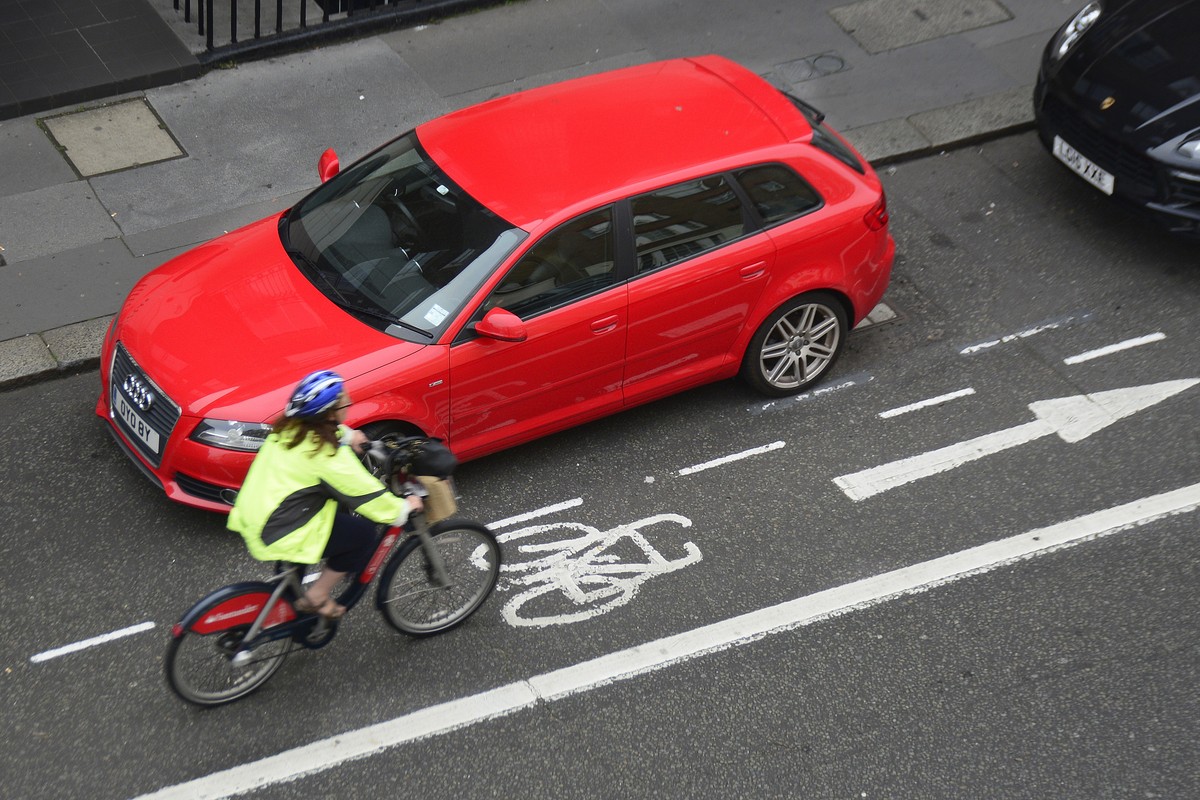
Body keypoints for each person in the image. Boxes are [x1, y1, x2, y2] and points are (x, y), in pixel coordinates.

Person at [228, 370, 422, 619]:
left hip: (259, 511)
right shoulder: (327, 456)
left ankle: (287, 607)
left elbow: (324, 432)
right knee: (363, 534)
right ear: (330, 414)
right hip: (281, 527)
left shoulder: (290, 430)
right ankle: (317, 596)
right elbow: (367, 496)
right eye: (344, 401)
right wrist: (404, 507)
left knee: (296, 564)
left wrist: (349, 435)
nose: (348, 403)